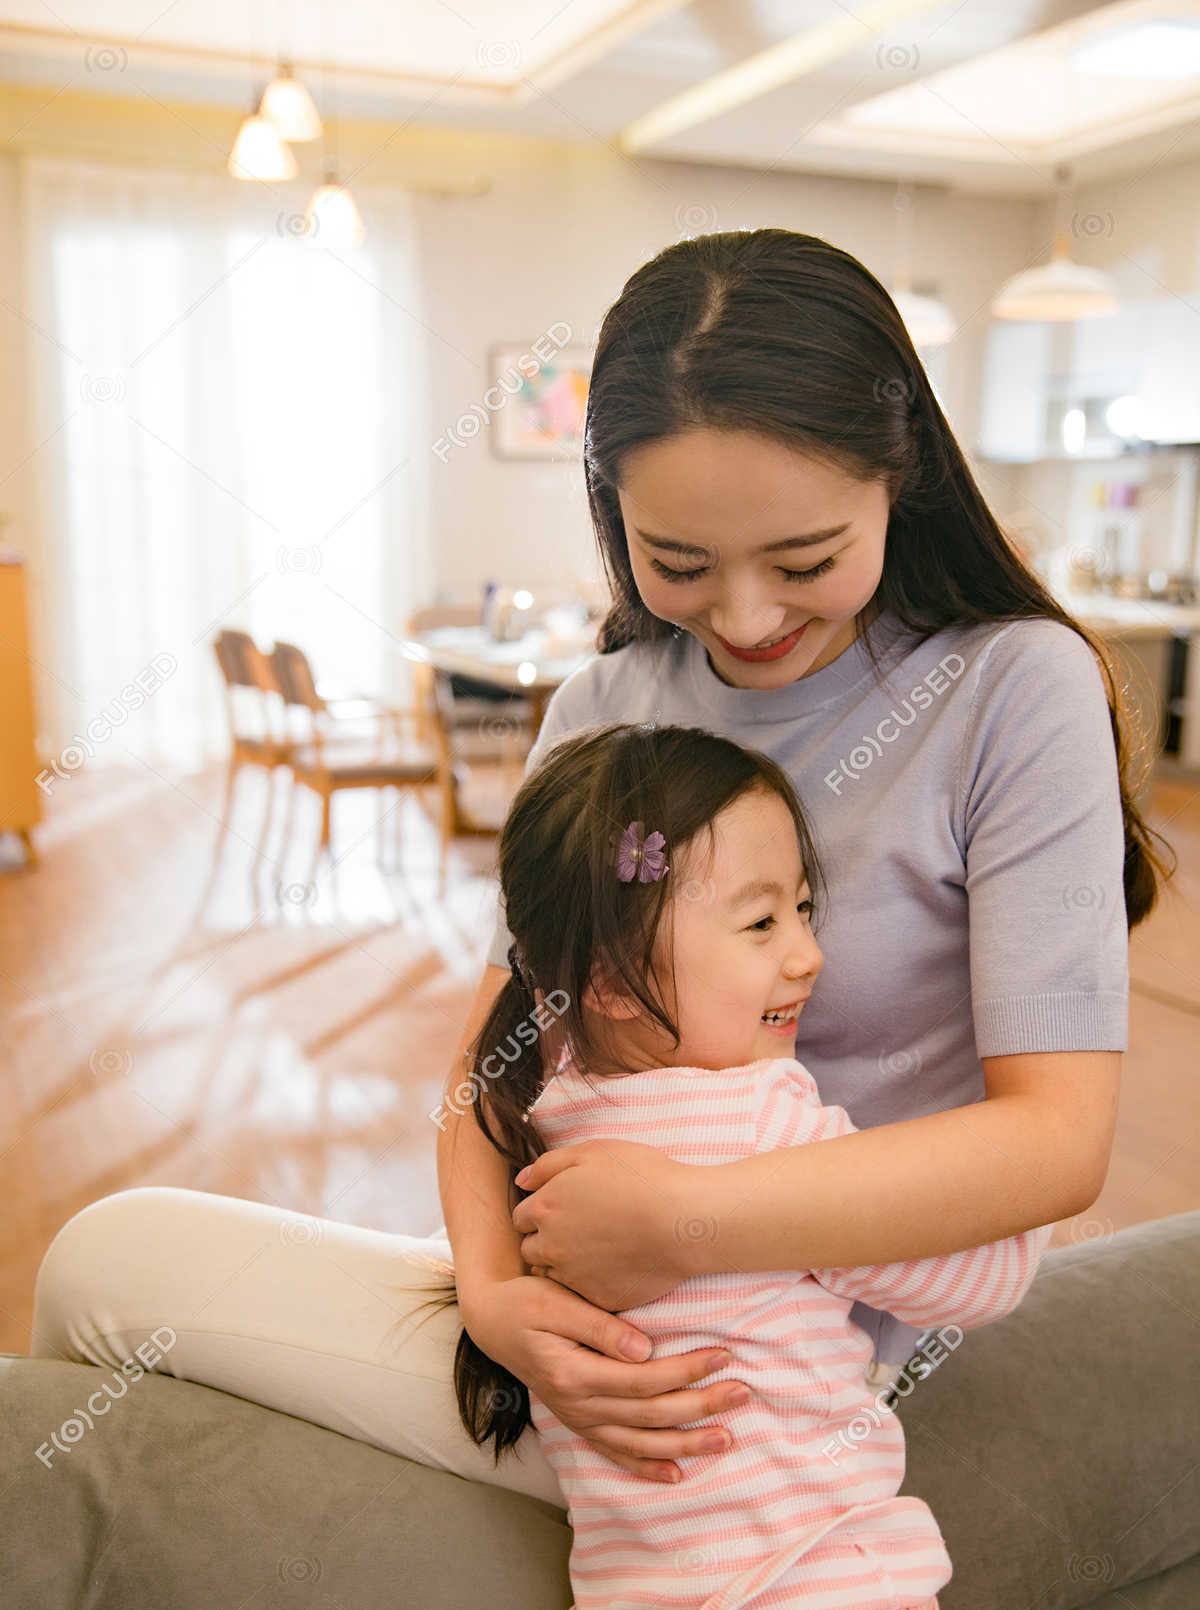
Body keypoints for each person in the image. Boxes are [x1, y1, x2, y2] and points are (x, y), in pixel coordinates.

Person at [31, 228, 1174, 1513]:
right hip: (582, 1299)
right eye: (678, 563)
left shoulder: (1013, 688)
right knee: (113, 1283)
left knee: (109, 1269)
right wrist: (497, 1296)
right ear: (610, 510)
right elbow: (497, 1064)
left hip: (779, 1362)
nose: (745, 620)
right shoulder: (599, 706)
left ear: (902, 484)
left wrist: (685, 1220)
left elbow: (1056, 1147)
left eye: (805, 562)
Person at [425, 718, 1181, 1610]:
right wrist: (1012, 1163)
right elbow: (985, 1282)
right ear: (606, 981)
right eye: (760, 921)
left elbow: (471, 1083)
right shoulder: (764, 1119)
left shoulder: (552, 1117)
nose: (806, 953)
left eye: (805, 910)